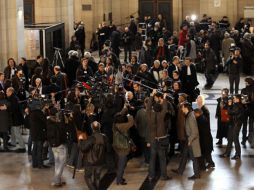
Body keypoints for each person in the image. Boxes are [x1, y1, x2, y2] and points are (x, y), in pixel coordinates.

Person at [172, 102, 201, 180]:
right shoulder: (189, 115)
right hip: (188, 139)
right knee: (184, 155)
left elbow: (195, 132)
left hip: (191, 141)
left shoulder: (191, 117)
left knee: (194, 158)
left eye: (182, 107)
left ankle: (197, 174)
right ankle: (180, 170)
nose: (181, 109)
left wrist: (190, 140)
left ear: (186, 108)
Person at [147, 90, 171, 181]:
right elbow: (165, 108)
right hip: (161, 140)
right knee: (162, 159)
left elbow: (148, 107)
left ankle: (151, 176)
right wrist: (164, 98)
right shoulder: (161, 116)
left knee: (152, 159)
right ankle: (164, 176)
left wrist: (151, 96)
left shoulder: (149, 115)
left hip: (153, 139)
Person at [79, 121, 109, 190]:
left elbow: (83, 148)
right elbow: (108, 149)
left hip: (90, 162)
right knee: (97, 177)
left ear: (92, 128)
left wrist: (80, 140)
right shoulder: (105, 137)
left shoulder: (91, 138)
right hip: (100, 161)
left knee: (87, 177)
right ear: (99, 127)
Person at [47, 106, 67, 187]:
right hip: (59, 145)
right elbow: (61, 133)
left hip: (53, 146)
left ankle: (58, 180)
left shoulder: (48, 122)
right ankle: (56, 181)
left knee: (57, 163)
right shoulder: (57, 124)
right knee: (61, 163)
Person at [113, 107, 134, 185]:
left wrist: (124, 109)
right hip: (123, 148)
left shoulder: (115, 124)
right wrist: (128, 115)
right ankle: (119, 180)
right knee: (122, 165)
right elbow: (131, 122)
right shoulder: (123, 126)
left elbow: (119, 115)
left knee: (120, 164)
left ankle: (120, 177)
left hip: (117, 146)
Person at [220, 95, 244, 160]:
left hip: (236, 124)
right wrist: (229, 105)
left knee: (235, 139)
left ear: (238, 99)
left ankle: (237, 154)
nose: (233, 99)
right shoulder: (236, 105)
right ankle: (227, 153)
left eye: (234, 98)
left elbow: (230, 112)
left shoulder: (238, 105)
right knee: (230, 138)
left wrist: (229, 106)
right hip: (232, 124)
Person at [6, 87, 26, 153]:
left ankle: (22, 147)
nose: (6, 93)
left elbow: (13, 109)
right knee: (12, 131)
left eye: (7, 92)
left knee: (17, 133)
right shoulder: (13, 97)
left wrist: (6, 109)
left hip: (16, 119)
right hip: (14, 118)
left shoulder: (13, 99)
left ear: (10, 92)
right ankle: (13, 142)